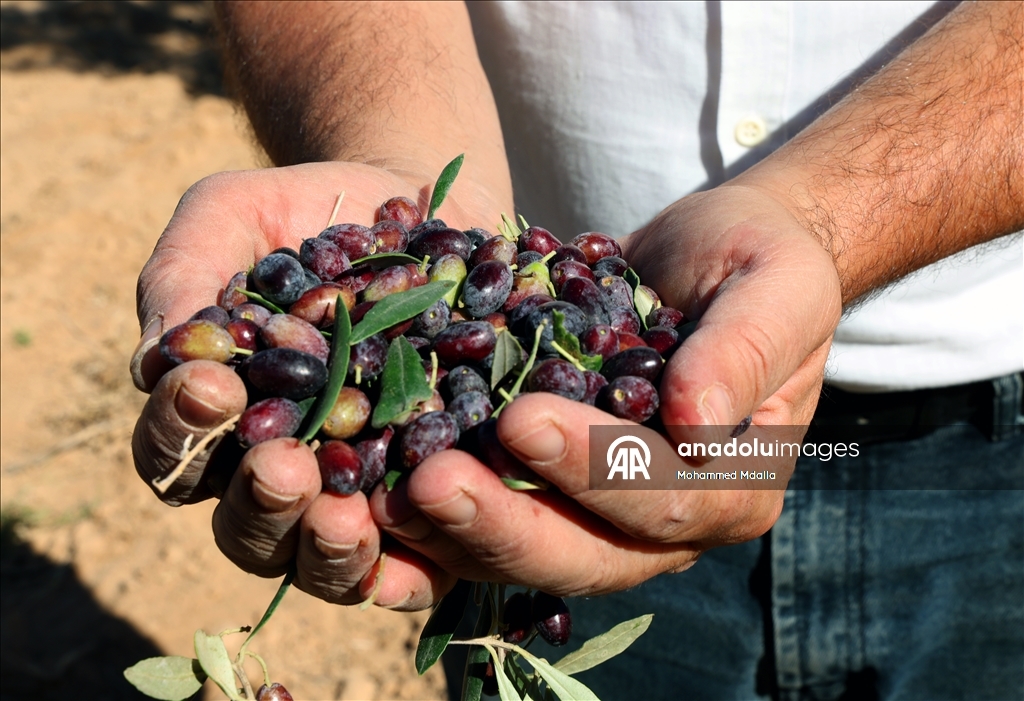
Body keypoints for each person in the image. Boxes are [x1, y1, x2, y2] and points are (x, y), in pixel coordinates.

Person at [129, 2, 1022, 698]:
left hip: (989, 455)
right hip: (580, 476)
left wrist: (827, 221)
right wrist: (390, 154)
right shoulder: (506, 347)